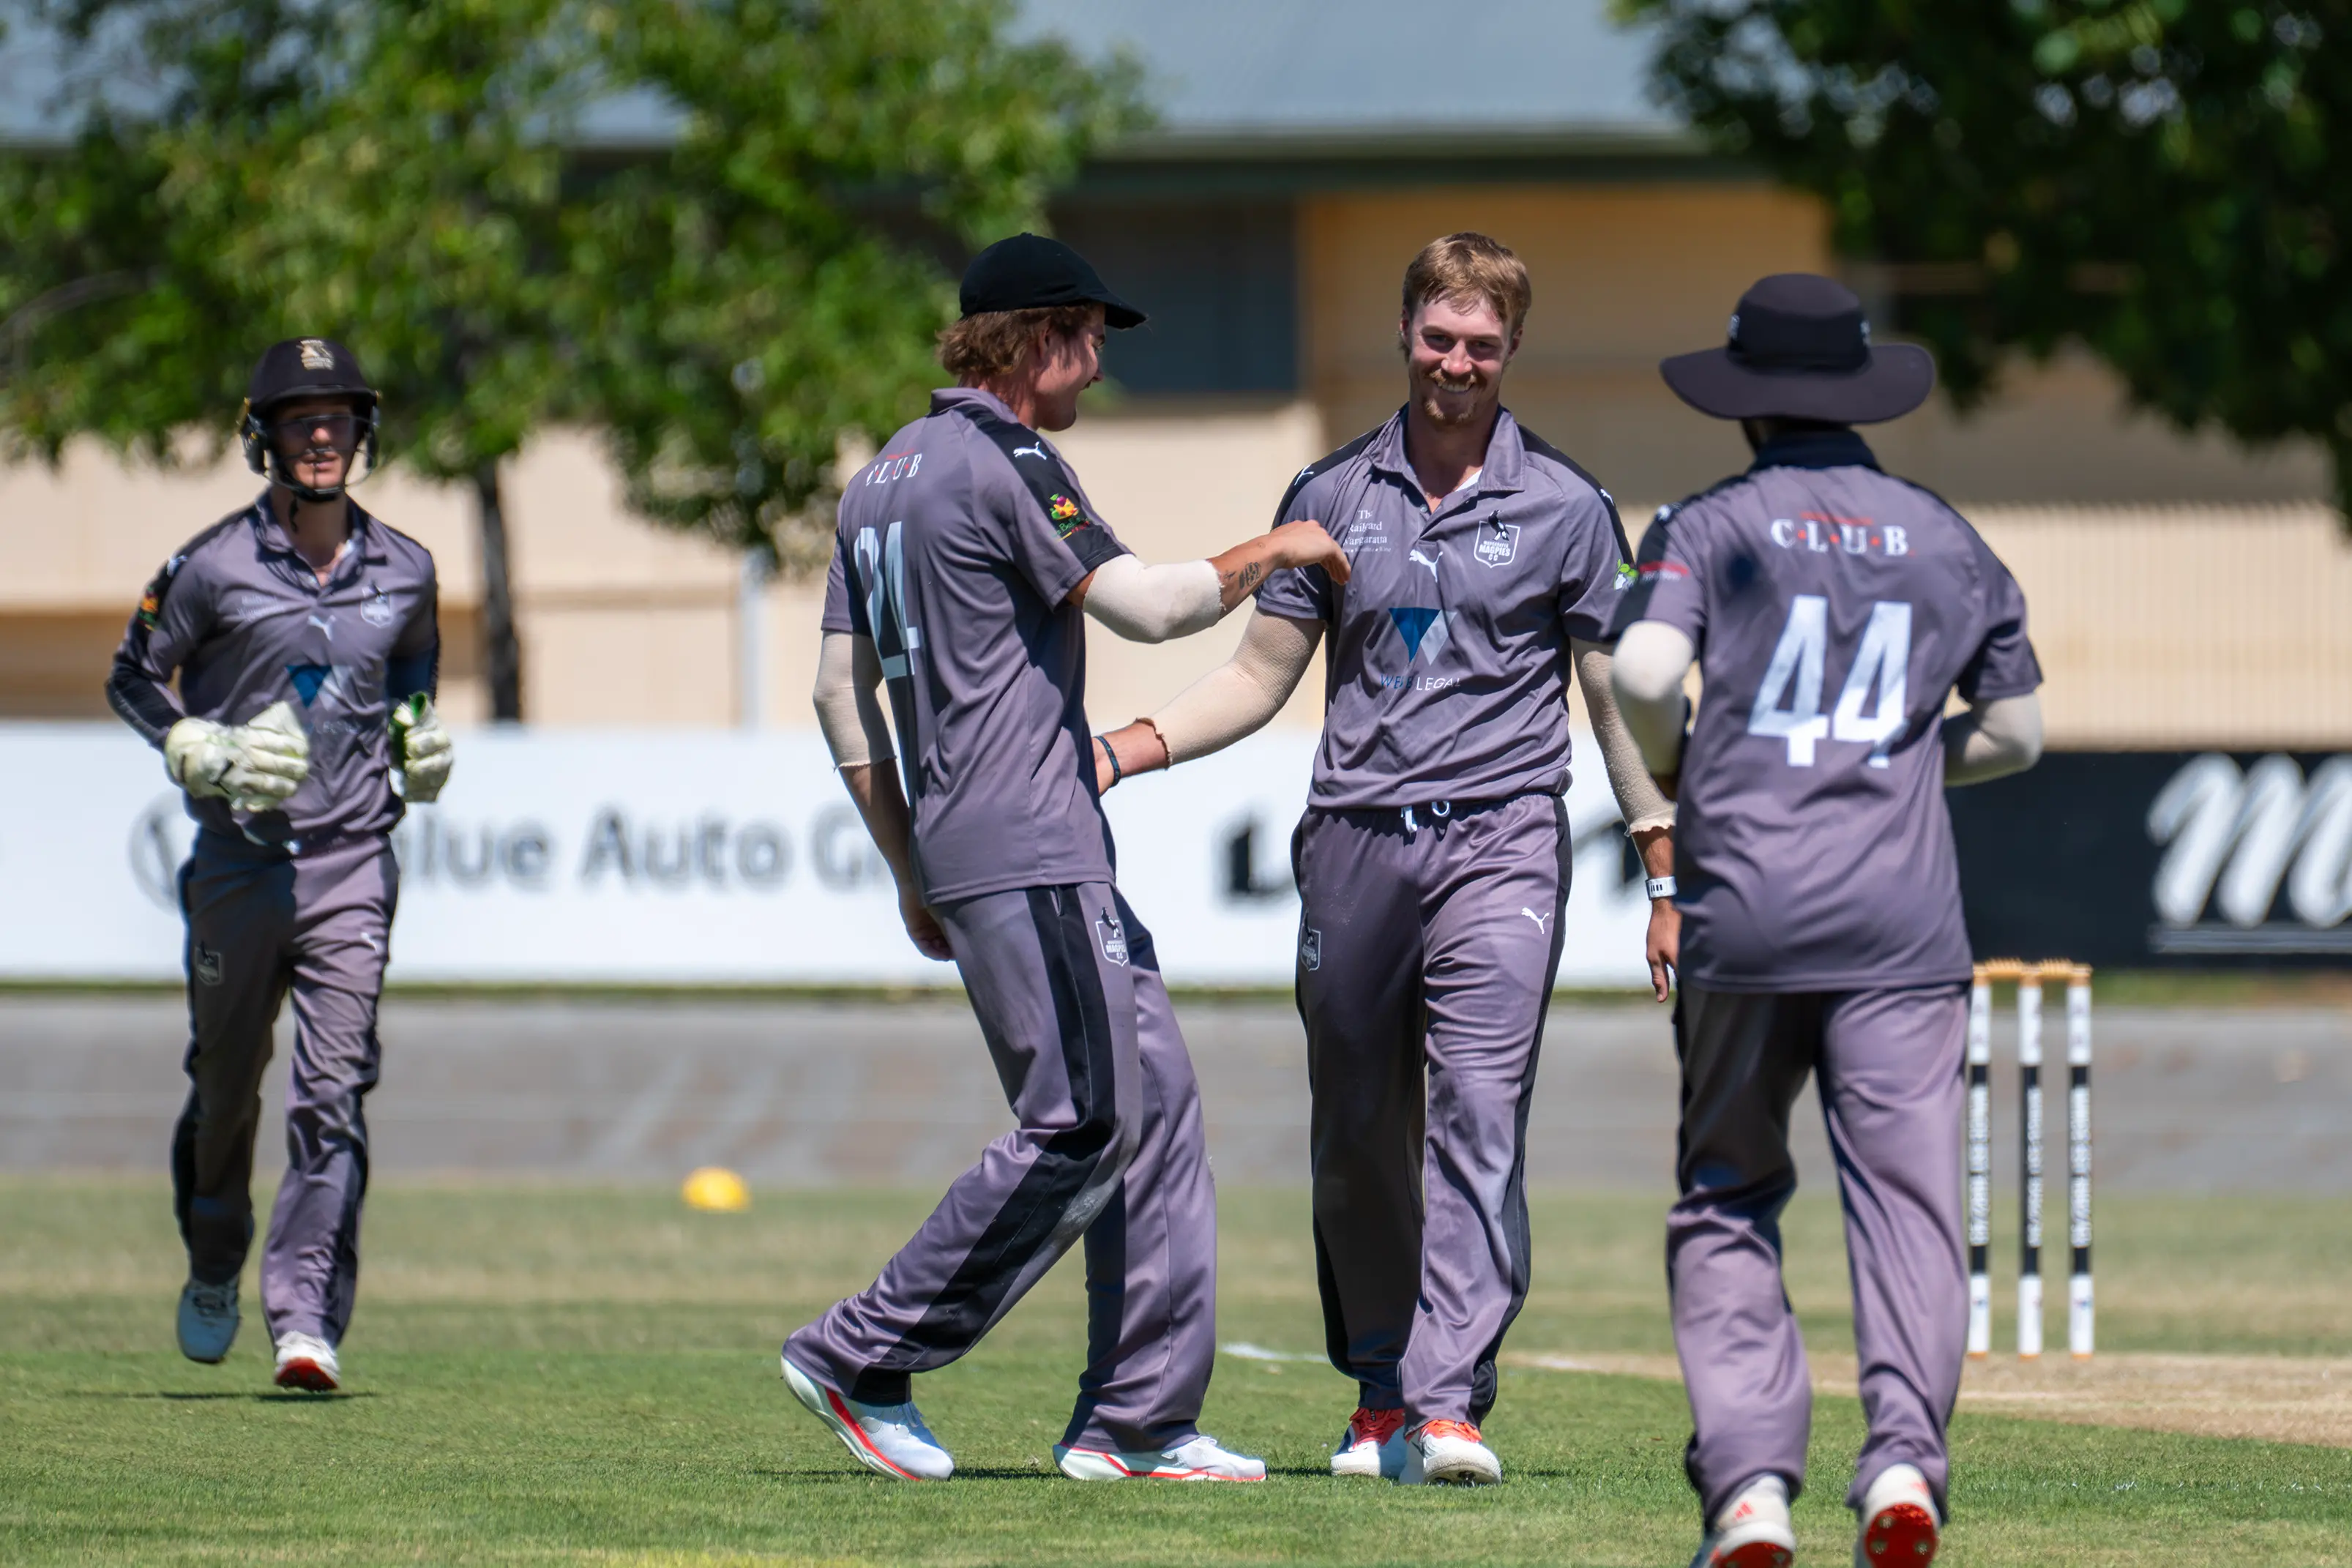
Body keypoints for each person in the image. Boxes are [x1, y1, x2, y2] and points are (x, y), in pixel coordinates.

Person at [1094, 232, 1679, 1487]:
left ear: (1511, 350)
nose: (1456, 363)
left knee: (1477, 1111)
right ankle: (1376, 1391)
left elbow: (1611, 696)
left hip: (1505, 840)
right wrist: (1126, 748)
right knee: (1359, 1127)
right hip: (1355, 842)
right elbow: (1259, 678)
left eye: (1481, 344)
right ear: (1404, 333)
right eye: (1437, 337)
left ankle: (1449, 1401)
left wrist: (1661, 857)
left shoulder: (1570, 506)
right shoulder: (1327, 493)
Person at [783, 233, 1350, 1484]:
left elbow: (838, 696)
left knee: (1153, 1105)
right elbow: (1148, 605)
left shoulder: (879, 476)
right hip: (1032, 841)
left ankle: (1137, 1421)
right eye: (1091, 339)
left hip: (980, 841)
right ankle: (864, 1353)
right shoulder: (1005, 460)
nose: (1097, 368)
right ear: (1039, 338)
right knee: (1085, 1117)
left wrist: (907, 862)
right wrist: (1283, 548)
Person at [1606, 274, 2044, 1568]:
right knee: (1907, 1204)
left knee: (1728, 1191)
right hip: (1903, 925)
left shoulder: (1710, 519)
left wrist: (1685, 752)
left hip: (1747, 909)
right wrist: (1912, 758)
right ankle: (1903, 1460)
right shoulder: (1943, 534)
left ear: (1745, 404)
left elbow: (1635, 668)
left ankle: (1749, 1489)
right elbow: (2017, 733)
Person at [105, 337, 453, 1392]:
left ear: (364, 430)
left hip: (353, 860)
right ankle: (214, 1252)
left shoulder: (407, 566)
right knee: (226, 1085)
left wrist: (415, 733)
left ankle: (305, 1315)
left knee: (333, 1094)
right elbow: (132, 674)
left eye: (339, 416)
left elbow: (413, 670)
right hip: (240, 862)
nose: (320, 435)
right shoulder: (211, 566)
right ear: (260, 434)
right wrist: (190, 743)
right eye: (300, 418)